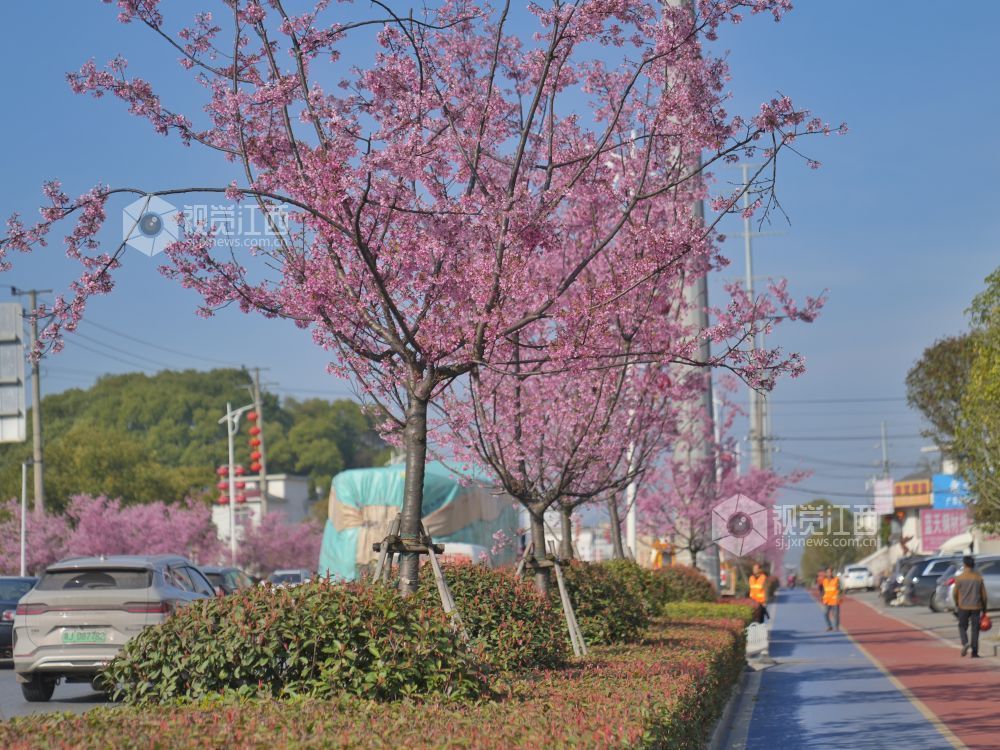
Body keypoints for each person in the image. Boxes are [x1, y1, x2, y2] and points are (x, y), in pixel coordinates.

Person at [953, 555, 988, 658]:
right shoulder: (978, 577)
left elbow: (955, 593)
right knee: (975, 629)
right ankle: (975, 652)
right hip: (976, 606)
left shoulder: (959, 578)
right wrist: (984, 609)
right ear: (973, 565)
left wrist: (957, 604)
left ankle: (965, 643)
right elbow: (984, 595)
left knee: (962, 626)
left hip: (963, 606)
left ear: (964, 565)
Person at [821, 566, 841, 631]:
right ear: (826, 573)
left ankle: (836, 627)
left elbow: (840, 589)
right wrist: (822, 597)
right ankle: (829, 626)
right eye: (828, 572)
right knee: (825, 613)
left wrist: (839, 596)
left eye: (831, 572)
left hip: (835, 600)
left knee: (836, 615)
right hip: (827, 600)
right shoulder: (824, 581)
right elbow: (823, 590)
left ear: (832, 573)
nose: (829, 573)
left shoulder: (836, 580)